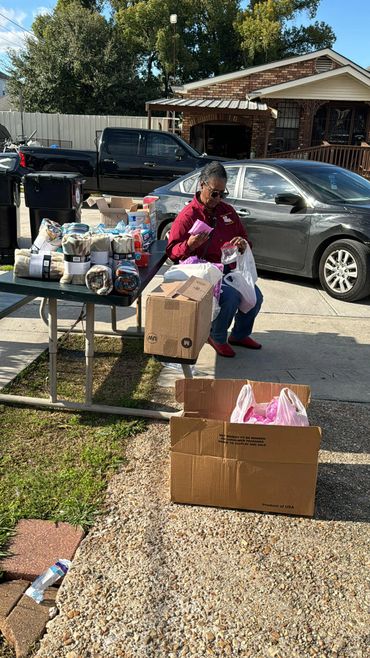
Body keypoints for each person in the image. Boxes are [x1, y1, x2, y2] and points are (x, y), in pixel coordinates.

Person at [166, 161, 263, 358]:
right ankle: (217, 336)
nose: (218, 198)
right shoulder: (188, 215)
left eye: (222, 193)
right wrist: (190, 245)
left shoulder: (227, 211)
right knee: (231, 296)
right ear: (202, 185)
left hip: (227, 269)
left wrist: (242, 244)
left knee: (255, 295)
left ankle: (239, 334)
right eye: (214, 193)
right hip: (202, 272)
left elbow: (245, 239)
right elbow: (172, 252)